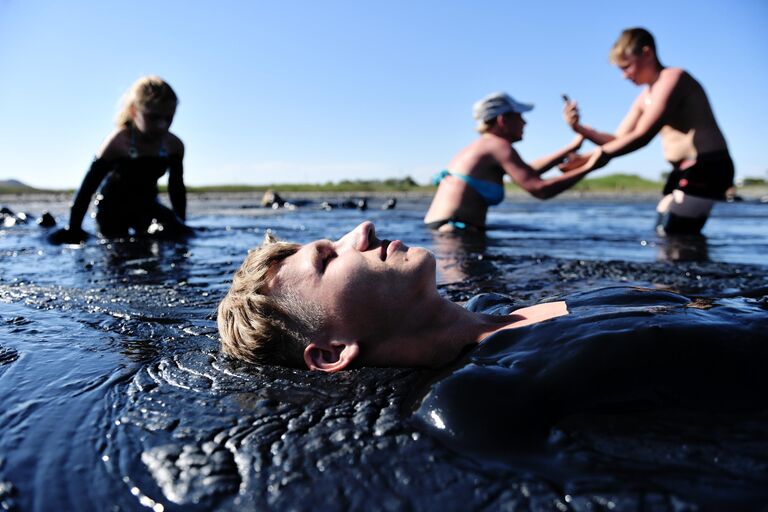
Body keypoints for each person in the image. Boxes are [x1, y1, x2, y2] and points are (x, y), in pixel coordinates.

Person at [216, 221, 768, 383]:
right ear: (332, 350)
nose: (360, 230)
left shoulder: (492, 306)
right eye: (329, 259)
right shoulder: (483, 395)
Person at [562, 28, 734, 235]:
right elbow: (618, 139)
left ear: (647, 53)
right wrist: (579, 129)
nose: (624, 76)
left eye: (626, 67)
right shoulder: (644, 97)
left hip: (708, 165)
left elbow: (643, 135)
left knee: (674, 235)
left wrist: (598, 157)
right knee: (665, 233)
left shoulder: (673, 78)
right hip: (682, 170)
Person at [50, 76, 190, 244]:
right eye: (153, 117)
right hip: (111, 208)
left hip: (147, 205)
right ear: (133, 111)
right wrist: (74, 229)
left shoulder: (174, 145)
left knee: (173, 232)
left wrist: (181, 222)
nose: (162, 125)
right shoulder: (116, 143)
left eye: (168, 118)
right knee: (119, 250)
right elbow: (87, 190)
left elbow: (176, 189)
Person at [423, 92, 591, 232]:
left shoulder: (485, 145)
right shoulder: (498, 146)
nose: (525, 122)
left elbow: (525, 171)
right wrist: (591, 166)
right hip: (453, 233)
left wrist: (572, 147)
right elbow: (539, 189)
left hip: (444, 231)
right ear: (502, 120)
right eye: (520, 116)